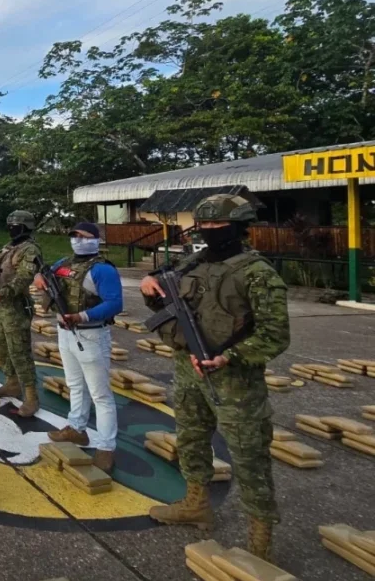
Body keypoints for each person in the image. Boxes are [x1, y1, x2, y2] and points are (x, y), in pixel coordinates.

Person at [141, 194, 288, 562]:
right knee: (190, 438)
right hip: (188, 369)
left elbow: (275, 334)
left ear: (238, 227)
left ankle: (260, 535)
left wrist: (231, 356)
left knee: (248, 455)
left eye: (216, 226)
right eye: (203, 225)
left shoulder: (257, 273)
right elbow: (167, 302)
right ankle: (196, 503)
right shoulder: (192, 263)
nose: (208, 231)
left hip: (234, 381)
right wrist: (150, 290)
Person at [34, 221, 123, 472]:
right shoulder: (64, 263)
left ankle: (106, 447)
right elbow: (44, 275)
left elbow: (115, 303)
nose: (78, 239)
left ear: (95, 240)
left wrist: (82, 316)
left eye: (84, 236)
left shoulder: (103, 270)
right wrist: (39, 277)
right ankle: (77, 428)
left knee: (100, 395)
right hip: (66, 333)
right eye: (74, 235)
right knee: (75, 385)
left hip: (91, 334)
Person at [0, 211, 42, 417]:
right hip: (1, 306)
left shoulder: (30, 249)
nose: (11, 229)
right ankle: (11, 382)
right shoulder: (7, 248)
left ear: (26, 227)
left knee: (19, 351)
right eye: (9, 225)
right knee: (2, 348)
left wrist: (3, 293)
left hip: (16, 306)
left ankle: (31, 396)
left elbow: (24, 277)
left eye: (15, 225)